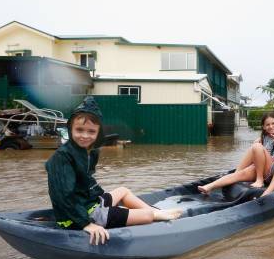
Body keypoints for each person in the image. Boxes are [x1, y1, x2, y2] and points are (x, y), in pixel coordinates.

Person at [46, 96, 182, 245]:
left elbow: (88, 183)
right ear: (70, 128)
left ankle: (158, 212)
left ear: (98, 133)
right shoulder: (62, 157)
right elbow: (63, 196)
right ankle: (153, 213)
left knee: (123, 190)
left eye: (91, 132)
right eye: (79, 130)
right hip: (78, 218)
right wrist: (87, 224)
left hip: (90, 205)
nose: (85, 136)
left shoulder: (90, 152)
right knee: (147, 215)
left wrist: (104, 200)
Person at [198, 113, 274, 195]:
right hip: (261, 167)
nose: (271, 126)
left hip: (273, 169)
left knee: (256, 146)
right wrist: (258, 142)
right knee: (239, 174)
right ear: (263, 127)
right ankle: (209, 187)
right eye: (267, 125)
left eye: (273, 123)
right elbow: (257, 148)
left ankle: (259, 180)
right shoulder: (264, 137)